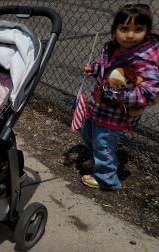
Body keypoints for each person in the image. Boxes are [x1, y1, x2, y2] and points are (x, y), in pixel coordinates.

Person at [81, 3, 159, 190]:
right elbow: (108, 70)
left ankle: (106, 179)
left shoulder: (144, 59)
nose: (130, 35)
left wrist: (120, 94)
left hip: (115, 113)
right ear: (115, 30)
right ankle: (98, 161)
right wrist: (94, 69)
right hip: (98, 107)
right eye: (124, 29)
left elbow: (150, 91)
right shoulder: (112, 48)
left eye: (138, 29)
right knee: (88, 135)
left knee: (103, 144)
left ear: (147, 31)